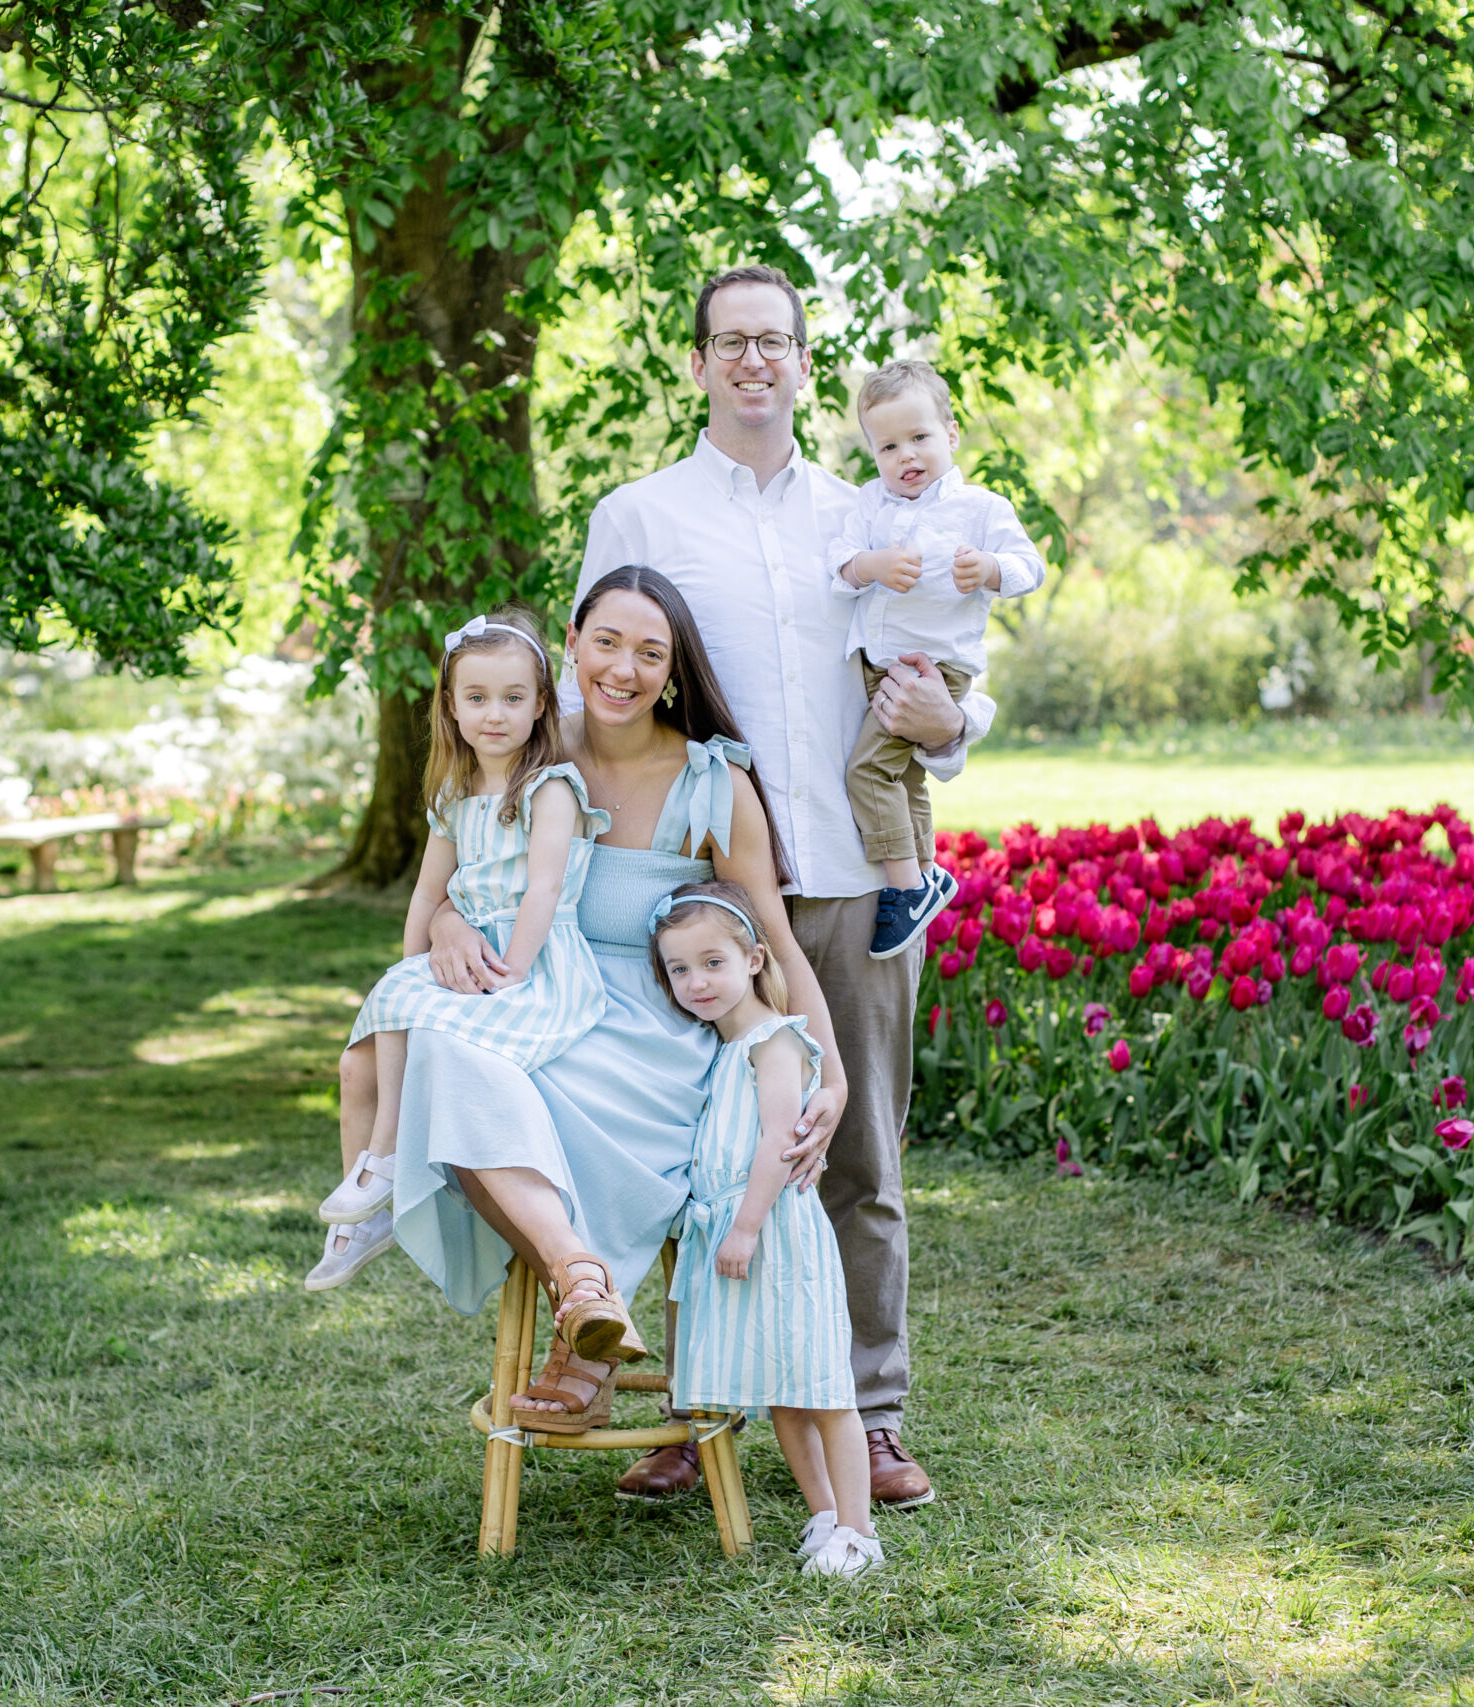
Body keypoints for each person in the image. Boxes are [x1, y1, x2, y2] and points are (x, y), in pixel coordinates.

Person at [569, 263, 985, 1508]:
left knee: (854, 1152)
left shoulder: (869, 517)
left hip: (854, 875)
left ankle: (873, 1416)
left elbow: (954, 660)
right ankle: (698, 1413)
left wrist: (949, 728)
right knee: (696, 1152)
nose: (756, 360)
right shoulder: (637, 513)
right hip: (698, 888)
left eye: (779, 342)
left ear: (805, 365)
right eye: (731, 342)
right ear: (695, 364)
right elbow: (595, 684)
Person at [373, 567, 847, 1434]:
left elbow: (772, 937)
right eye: (606, 642)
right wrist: (443, 917)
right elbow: (469, 859)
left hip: (655, 1035)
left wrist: (833, 1069)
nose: (623, 668)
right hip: (541, 1002)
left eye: (649, 652)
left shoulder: (711, 781)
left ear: (674, 671)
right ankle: (585, 1289)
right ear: (573, 648)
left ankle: (582, 1322)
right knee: (445, 1054)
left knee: (485, 1088)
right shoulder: (527, 748)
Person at [311, 612, 610, 1292]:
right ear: (451, 704)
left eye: (513, 697)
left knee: (408, 1009)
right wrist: (409, 968)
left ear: (541, 705)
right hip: (472, 961)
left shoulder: (550, 788)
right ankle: (364, 1209)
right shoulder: (453, 793)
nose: (494, 714)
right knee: (375, 1032)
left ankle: (385, 1161)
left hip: (535, 967)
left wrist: (516, 972)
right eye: (476, 697)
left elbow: (543, 889)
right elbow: (426, 894)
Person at [650, 880, 880, 1578]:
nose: (696, 981)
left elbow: (780, 1134)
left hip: (776, 1229)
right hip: (741, 1223)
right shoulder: (720, 1049)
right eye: (679, 969)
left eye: (713, 962)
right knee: (782, 1389)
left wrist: (745, 1225)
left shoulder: (773, 1039)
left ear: (754, 958)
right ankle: (822, 1514)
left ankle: (859, 1529)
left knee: (821, 1386)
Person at [830, 358, 1045, 958]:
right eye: (888, 446)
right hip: (879, 663)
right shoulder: (872, 503)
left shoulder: (979, 508)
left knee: (867, 771)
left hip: (935, 668)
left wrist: (991, 569)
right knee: (905, 775)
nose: (907, 456)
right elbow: (841, 564)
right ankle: (924, 871)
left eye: (920, 438)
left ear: (950, 434)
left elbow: (1031, 566)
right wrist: (871, 566)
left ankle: (905, 891)